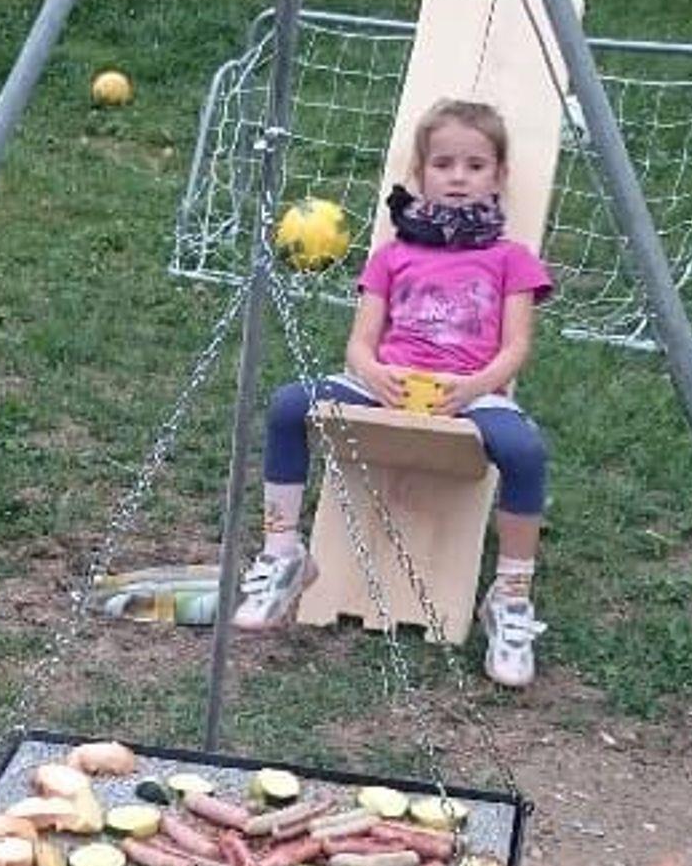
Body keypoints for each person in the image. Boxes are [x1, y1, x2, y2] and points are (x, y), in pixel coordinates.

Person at [234, 98, 555, 687]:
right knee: (287, 405)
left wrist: (474, 386)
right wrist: (374, 372)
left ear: (499, 176)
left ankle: (510, 597)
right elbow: (360, 343)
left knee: (525, 451)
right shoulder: (392, 256)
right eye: (444, 164)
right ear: (420, 172)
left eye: (476, 166)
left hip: (469, 392)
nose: (458, 177)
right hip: (384, 383)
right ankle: (283, 553)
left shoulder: (511, 259)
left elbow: (515, 348)